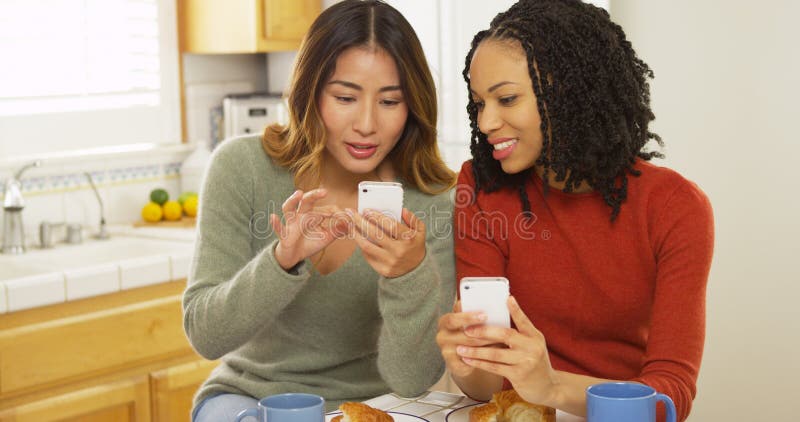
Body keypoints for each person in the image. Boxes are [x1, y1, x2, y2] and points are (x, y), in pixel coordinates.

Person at [435, 1, 714, 421]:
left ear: (570, 91)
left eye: (506, 99)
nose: (487, 121)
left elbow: (669, 397)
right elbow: (483, 387)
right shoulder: (482, 185)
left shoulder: (675, 208)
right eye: (478, 104)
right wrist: (468, 364)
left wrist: (552, 386)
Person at [183, 1, 457, 420]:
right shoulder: (241, 168)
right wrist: (283, 260)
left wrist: (408, 276)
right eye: (346, 97)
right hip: (249, 400)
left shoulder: (430, 201)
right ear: (310, 91)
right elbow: (206, 335)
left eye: (389, 102)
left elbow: (412, 380)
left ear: (412, 106)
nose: (367, 124)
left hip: (369, 409)